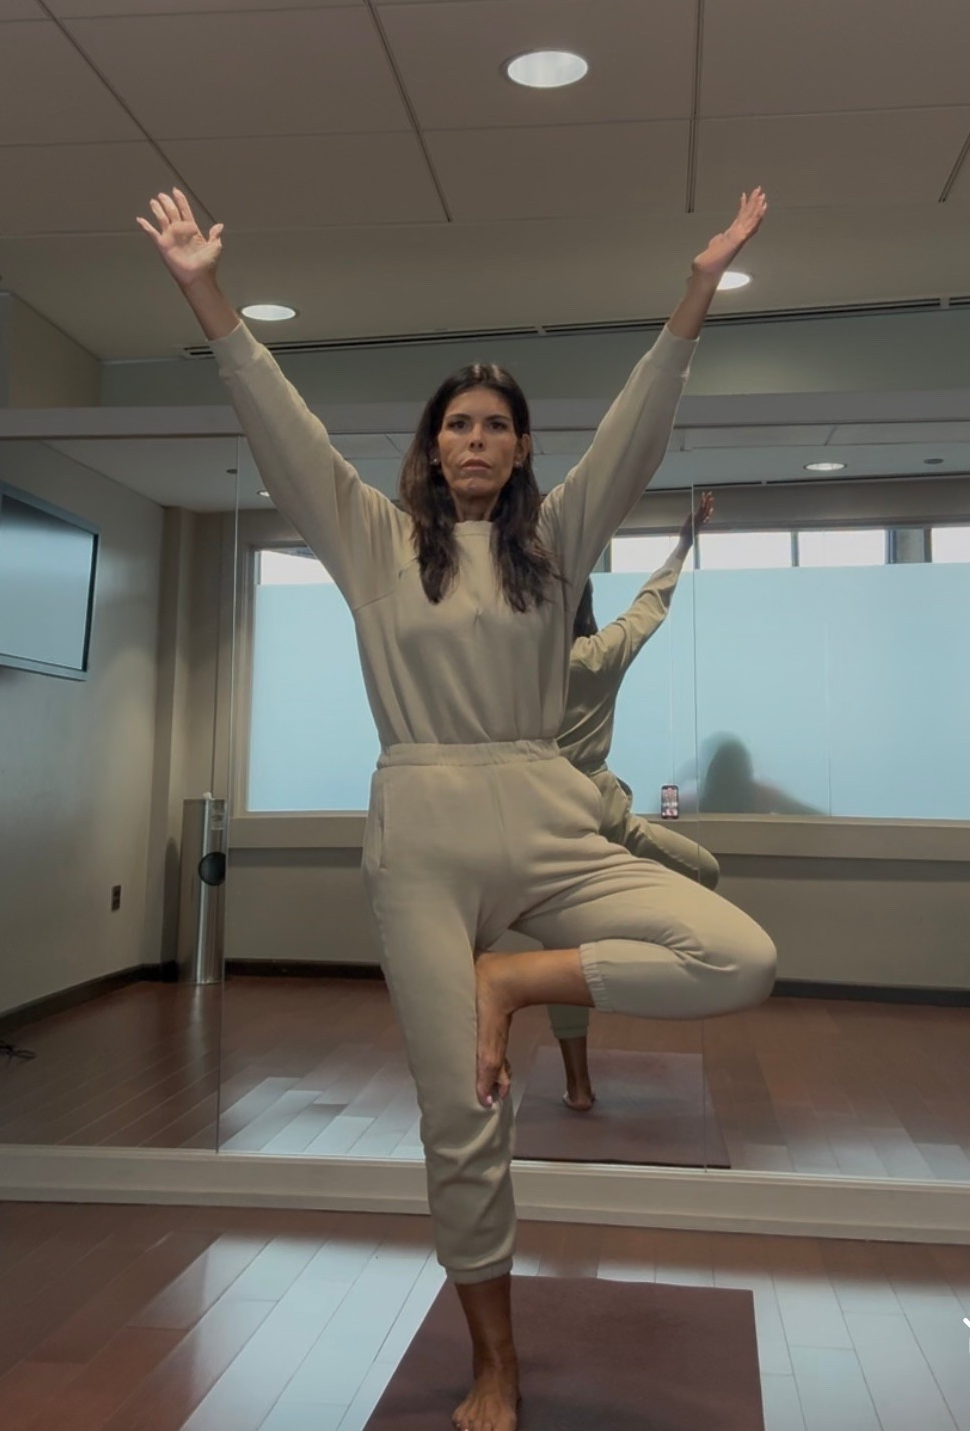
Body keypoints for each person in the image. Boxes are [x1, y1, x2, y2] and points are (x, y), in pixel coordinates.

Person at [138, 186, 776, 1431]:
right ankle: (495, 1359)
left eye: (496, 426)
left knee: (737, 952)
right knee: (459, 1114)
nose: (475, 441)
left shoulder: (557, 542)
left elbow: (640, 431)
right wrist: (205, 295)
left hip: (546, 808)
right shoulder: (373, 542)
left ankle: (515, 982)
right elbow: (282, 426)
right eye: (456, 427)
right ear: (431, 449)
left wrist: (694, 296)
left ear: (522, 448)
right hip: (422, 830)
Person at [547, 491, 721, 1113]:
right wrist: (681, 543)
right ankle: (623, 950)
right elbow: (653, 603)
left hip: (540, 823)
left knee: (560, 953)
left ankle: (578, 1082)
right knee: (705, 872)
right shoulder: (599, 655)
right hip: (600, 816)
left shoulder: (518, 668)